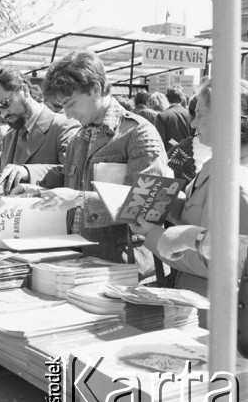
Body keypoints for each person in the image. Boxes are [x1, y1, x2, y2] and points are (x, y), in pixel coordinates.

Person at [12, 50, 168, 268]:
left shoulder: (139, 134)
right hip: (82, 264)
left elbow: (146, 207)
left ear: (95, 89)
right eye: (62, 106)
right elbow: (71, 179)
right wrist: (39, 191)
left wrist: (79, 198)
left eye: (71, 103)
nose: (67, 114)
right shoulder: (80, 136)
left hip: (123, 269)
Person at [130, 79, 248, 324]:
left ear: (229, 120)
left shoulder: (234, 177)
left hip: (213, 319)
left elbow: (217, 259)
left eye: (200, 115)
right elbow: (201, 215)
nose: (193, 123)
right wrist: (165, 200)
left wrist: (154, 236)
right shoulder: (220, 163)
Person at [0, 68, 80, 192]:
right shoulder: (8, 137)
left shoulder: (64, 127)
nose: (2, 114)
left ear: (24, 91)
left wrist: (27, 171)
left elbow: (73, 174)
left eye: (4, 104)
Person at [154, 85, 194, 150]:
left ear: (167, 98)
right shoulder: (190, 114)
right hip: (188, 155)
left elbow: (160, 141)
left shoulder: (162, 116)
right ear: (181, 98)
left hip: (169, 155)